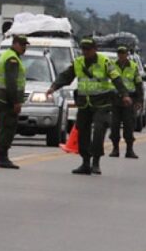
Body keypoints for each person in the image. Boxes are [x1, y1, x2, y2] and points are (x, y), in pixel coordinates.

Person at [47, 38, 131, 175]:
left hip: (101, 102)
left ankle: (96, 162)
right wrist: (54, 87)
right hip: (84, 103)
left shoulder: (104, 62)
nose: (85, 52)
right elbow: (66, 76)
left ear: (94, 49)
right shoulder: (78, 62)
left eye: (88, 49)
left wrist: (125, 94)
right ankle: (85, 162)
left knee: (98, 131)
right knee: (82, 133)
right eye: (83, 49)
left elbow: (116, 79)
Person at [0, 35, 28, 169]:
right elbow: (11, 82)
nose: (24, 48)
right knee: (8, 127)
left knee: (2, 127)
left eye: (25, 45)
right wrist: (16, 102)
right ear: (15, 44)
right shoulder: (12, 59)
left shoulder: (7, 55)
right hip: (7, 99)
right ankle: (2, 157)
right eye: (22, 45)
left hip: (1, 97)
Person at [109, 46, 143, 159]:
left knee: (129, 125)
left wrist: (139, 100)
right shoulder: (112, 66)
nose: (121, 55)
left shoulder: (133, 66)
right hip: (115, 100)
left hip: (129, 100)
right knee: (114, 125)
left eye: (123, 53)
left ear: (127, 54)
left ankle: (129, 150)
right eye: (119, 53)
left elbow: (138, 84)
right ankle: (115, 149)